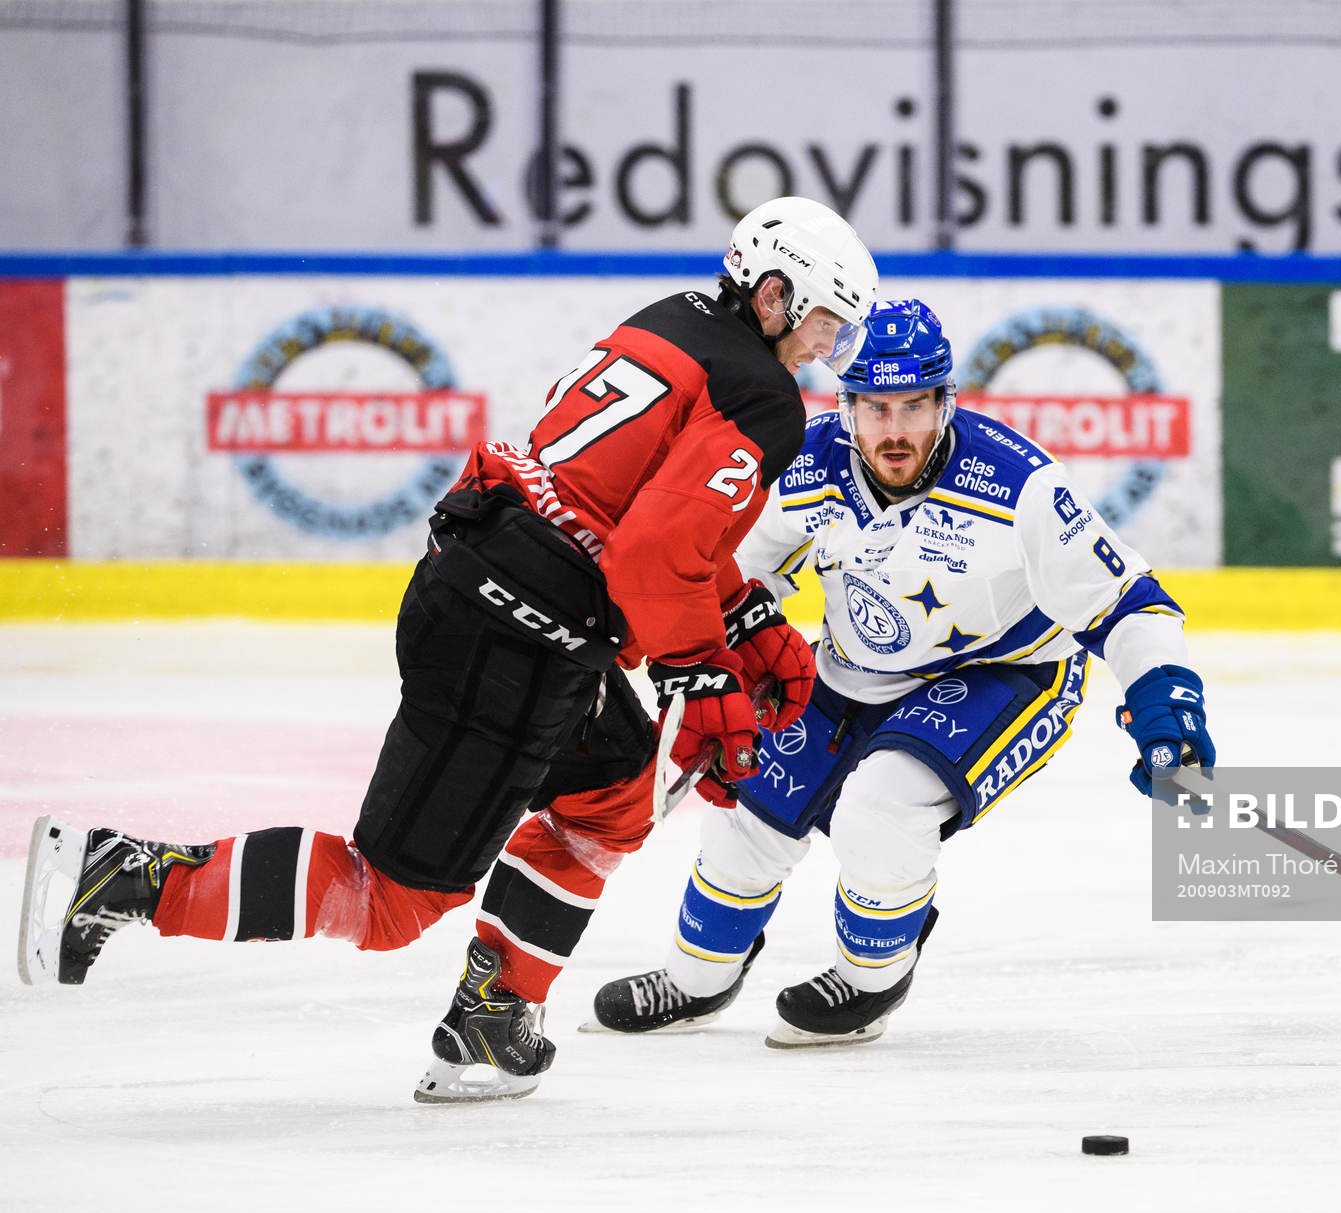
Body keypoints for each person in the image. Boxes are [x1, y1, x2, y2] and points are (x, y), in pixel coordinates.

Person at [17, 196, 878, 1102]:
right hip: (520, 637)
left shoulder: (672, 322)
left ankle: (493, 1016)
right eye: (825, 321)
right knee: (389, 899)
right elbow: (652, 555)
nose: (827, 347)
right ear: (776, 294)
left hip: (492, 586)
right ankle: (120, 878)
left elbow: (623, 517)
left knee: (613, 793)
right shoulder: (765, 399)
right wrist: (702, 671)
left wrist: (740, 620)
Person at [584, 299, 1216, 1047]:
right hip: (849, 670)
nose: (894, 429)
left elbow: (1128, 601)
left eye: (914, 404)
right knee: (746, 815)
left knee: (880, 811)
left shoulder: (1020, 484)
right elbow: (735, 574)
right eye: (875, 407)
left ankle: (872, 978)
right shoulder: (804, 461)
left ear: (946, 402)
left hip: (1003, 672)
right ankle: (699, 976)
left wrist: (1166, 702)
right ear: (846, 407)